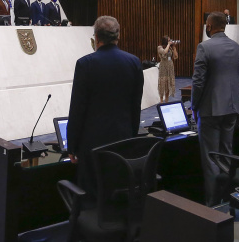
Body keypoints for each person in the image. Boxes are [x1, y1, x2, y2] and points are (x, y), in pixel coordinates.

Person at [67, 16, 144, 197]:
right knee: (118, 189)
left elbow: (78, 108)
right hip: (124, 141)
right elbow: (135, 106)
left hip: (93, 146)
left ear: (96, 37)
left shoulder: (85, 64)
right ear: (118, 36)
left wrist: (72, 146)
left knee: (94, 194)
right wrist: (131, 138)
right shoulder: (134, 62)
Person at [191, 12, 239, 205]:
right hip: (232, 108)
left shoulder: (204, 47)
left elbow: (198, 82)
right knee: (226, 155)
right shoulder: (236, 47)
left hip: (210, 110)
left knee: (211, 159)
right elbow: (237, 74)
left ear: (210, 26)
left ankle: (212, 206)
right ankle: (226, 199)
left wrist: (194, 106)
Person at [157, 36, 178, 103]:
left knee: (168, 84)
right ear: (165, 41)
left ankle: (166, 100)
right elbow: (164, 52)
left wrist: (174, 48)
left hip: (170, 66)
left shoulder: (170, 48)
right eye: (168, 40)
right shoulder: (159, 47)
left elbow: (175, 56)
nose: (170, 41)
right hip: (163, 66)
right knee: (163, 83)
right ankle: (161, 101)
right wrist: (168, 45)